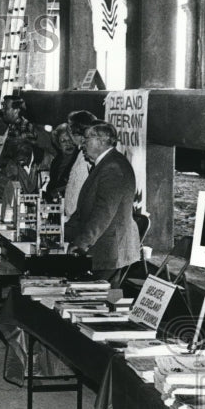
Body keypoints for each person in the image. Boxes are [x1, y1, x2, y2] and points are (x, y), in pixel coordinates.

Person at [64, 122, 140, 288]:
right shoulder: (106, 163)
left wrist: (81, 243)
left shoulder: (112, 167)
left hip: (109, 251)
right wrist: (62, 232)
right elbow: (86, 207)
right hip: (107, 248)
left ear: (101, 141)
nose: (82, 145)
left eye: (86, 140)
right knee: (105, 301)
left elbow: (103, 212)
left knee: (101, 302)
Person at [62, 110, 97, 219]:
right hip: (72, 218)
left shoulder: (89, 156)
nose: (69, 132)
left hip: (79, 219)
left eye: (70, 128)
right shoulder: (80, 153)